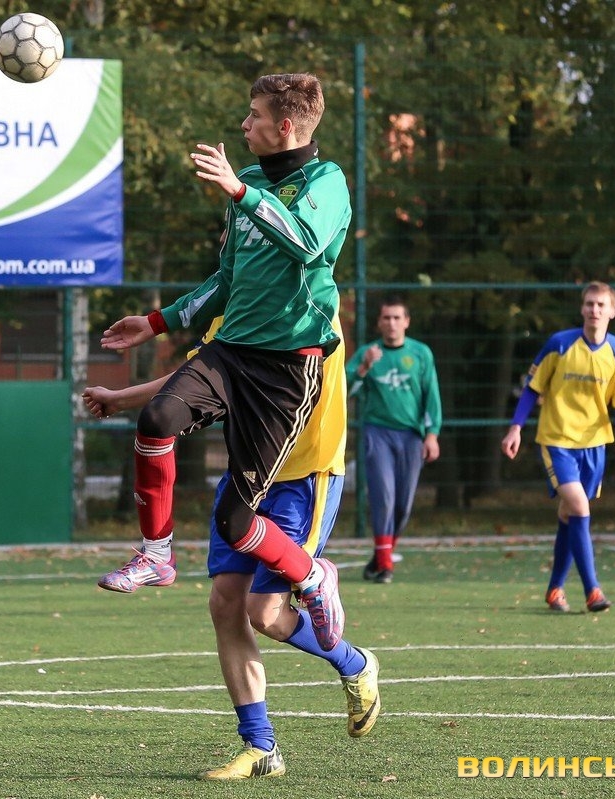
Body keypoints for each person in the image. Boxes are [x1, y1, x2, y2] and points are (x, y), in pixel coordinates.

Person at [95, 73, 353, 653]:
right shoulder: (251, 184)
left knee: (237, 522)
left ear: (284, 126)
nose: (244, 125)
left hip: (286, 369)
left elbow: (305, 242)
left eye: (254, 115)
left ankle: (312, 576)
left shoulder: (327, 181)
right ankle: (156, 555)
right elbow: (227, 280)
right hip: (232, 349)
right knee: (157, 420)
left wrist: (240, 192)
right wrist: (157, 321)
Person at [83, 314, 381, 780]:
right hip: (246, 476)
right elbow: (199, 375)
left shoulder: (307, 299)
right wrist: (122, 399)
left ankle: (354, 662)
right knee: (225, 604)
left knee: (264, 613)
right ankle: (261, 746)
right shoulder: (237, 306)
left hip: (303, 477)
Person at [500, 281, 615, 613]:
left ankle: (554, 589)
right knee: (579, 506)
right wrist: (516, 427)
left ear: (612, 311)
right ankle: (593, 591)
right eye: (589, 304)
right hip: (557, 440)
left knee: (569, 513)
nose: (594, 310)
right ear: (582, 308)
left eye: (601, 305)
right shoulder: (560, 344)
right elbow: (533, 388)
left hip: (595, 445)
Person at [345, 296, 442, 583]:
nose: (392, 323)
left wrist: (432, 434)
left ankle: (379, 557)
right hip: (378, 433)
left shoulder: (421, 353)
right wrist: (364, 367)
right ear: (379, 322)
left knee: (403, 506)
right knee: (383, 498)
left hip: (411, 436)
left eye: (397, 318)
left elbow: (431, 396)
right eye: (386, 318)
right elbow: (343, 389)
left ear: (406, 322)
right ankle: (386, 566)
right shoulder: (368, 353)